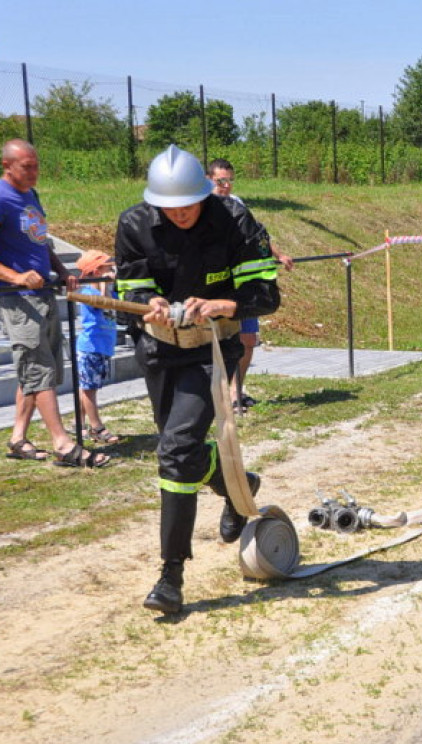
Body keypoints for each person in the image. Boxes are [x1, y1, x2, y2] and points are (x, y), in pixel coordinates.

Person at [116, 145, 280, 614]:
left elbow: (265, 293)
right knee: (180, 449)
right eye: (170, 209)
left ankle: (171, 575)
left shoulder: (235, 220)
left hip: (212, 349)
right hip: (158, 350)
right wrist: (150, 301)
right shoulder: (133, 224)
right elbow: (132, 285)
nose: (181, 214)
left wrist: (225, 305)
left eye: (189, 204)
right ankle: (235, 483)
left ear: (205, 193)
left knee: (174, 450)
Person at [0, 139, 111, 468]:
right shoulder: (1, 197)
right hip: (18, 299)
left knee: (38, 368)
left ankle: (18, 437)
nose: (34, 172)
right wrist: (16, 277)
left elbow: (40, 239)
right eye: (27, 167)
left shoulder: (30, 196)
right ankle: (63, 444)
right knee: (39, 369)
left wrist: (62, 271)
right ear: (7, 165)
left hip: (44, 292)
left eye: (36, 166)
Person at [206, 159, 293, 413]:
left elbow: (257, 236)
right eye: (221, 181)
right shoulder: (202, 207)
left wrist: (278, 255)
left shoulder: (238, 204)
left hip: (244, 286)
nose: (226, 185)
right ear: (208, 179)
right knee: (223, 342)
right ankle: (219, 395)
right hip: (219, 287)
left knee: (248, 339)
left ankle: (237, 391)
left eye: (230, 180)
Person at [73, 249, 121, 445]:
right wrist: (103, 285)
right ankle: (97, 427)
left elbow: (117, 304)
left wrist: (110, 286)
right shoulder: (88, 292)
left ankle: (79, 424)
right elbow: (99, 305)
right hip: (90, 347)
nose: (110, 272)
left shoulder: (107, 290)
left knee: (88, 388)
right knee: (89, 389)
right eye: (105, 269)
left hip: (102, 347)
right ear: (94, 272)